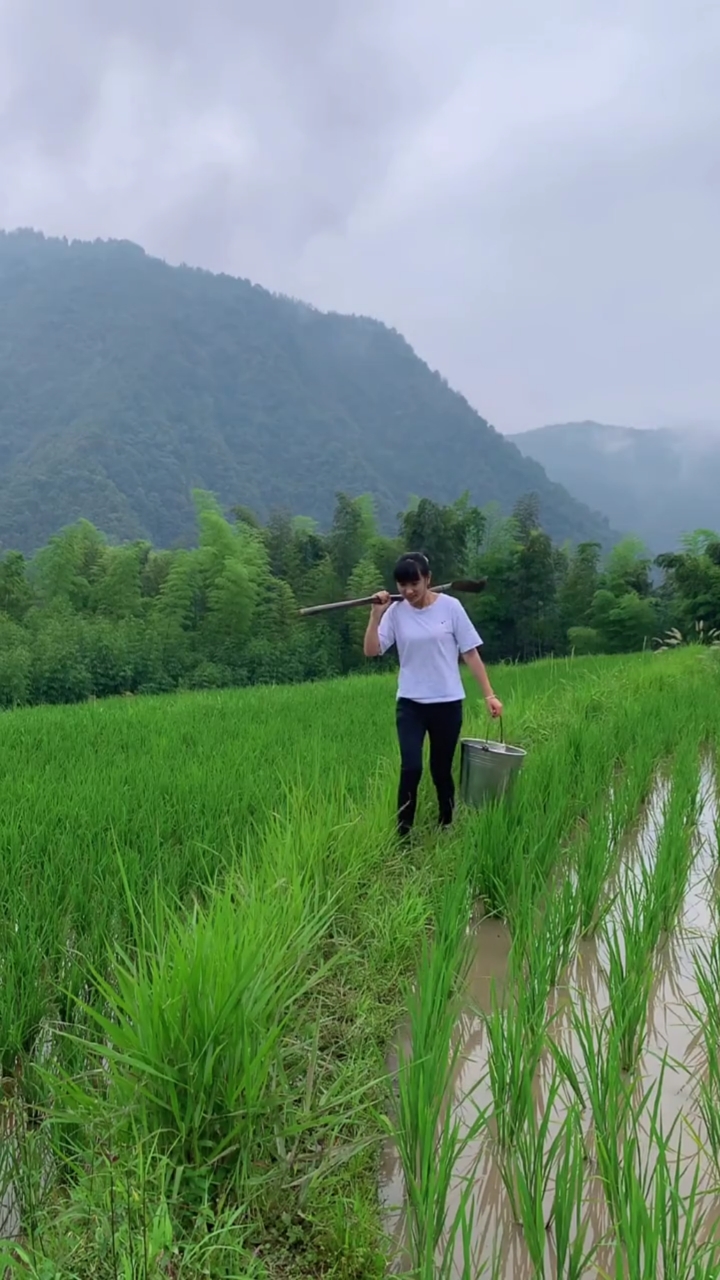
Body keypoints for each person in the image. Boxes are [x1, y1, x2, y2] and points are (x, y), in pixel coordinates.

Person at [363, 551, 503, 838]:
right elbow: (372, 651)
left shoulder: (451, 608)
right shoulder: (396, 613)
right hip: (411, 704)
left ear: (428, 579)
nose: (408, 591)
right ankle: (403, 833)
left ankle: (447, 822)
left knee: (440, 769)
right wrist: (375, 616)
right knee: (411, 767)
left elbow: (470, 652)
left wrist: (489, 695)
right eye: (402, 585)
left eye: (414, 583)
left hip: (447, 703)